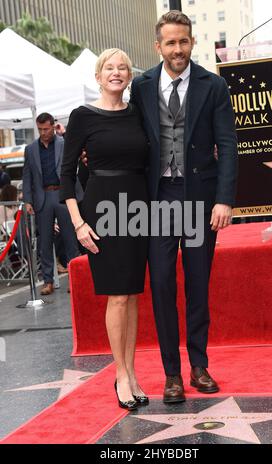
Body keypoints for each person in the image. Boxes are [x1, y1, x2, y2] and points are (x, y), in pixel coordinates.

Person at [130, 11, 238, 403]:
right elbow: (130, 136)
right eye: (170, 43)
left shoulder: (213, 85)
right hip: (157, 199)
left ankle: (198, 365)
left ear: (192, 43)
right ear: (158, 46)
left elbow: (227, 145)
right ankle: (171, 374)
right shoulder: (141, 87)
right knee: (160, 285)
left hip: (199, 197)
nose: (178, 49)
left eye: (184, 41)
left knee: (196, 284)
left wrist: (224, 198)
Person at [60, 49, 150, 411]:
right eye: (109, 68)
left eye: (122, 68)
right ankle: (121, 375)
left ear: (129, 76)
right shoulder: (82, 116)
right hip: (101, 211)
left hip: (139, 208)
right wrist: (78, 221)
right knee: (116, 295)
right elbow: (66, 175)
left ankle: (131, 371)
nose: (116, 73)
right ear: (98, 76)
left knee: (131, 294)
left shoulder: (138, 114)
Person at [22, 113, 82, 295]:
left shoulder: (64, 144)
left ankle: (74, 279)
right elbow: (27, 176)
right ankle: (48, 281)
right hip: (42, 198)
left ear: (53, 126)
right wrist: (27, 200)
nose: (43, 133)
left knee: (71, 239)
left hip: (64, 195)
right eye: (40, 129)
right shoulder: (31, 149)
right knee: (45, 242)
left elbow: (73, 169)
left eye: (46, 129)